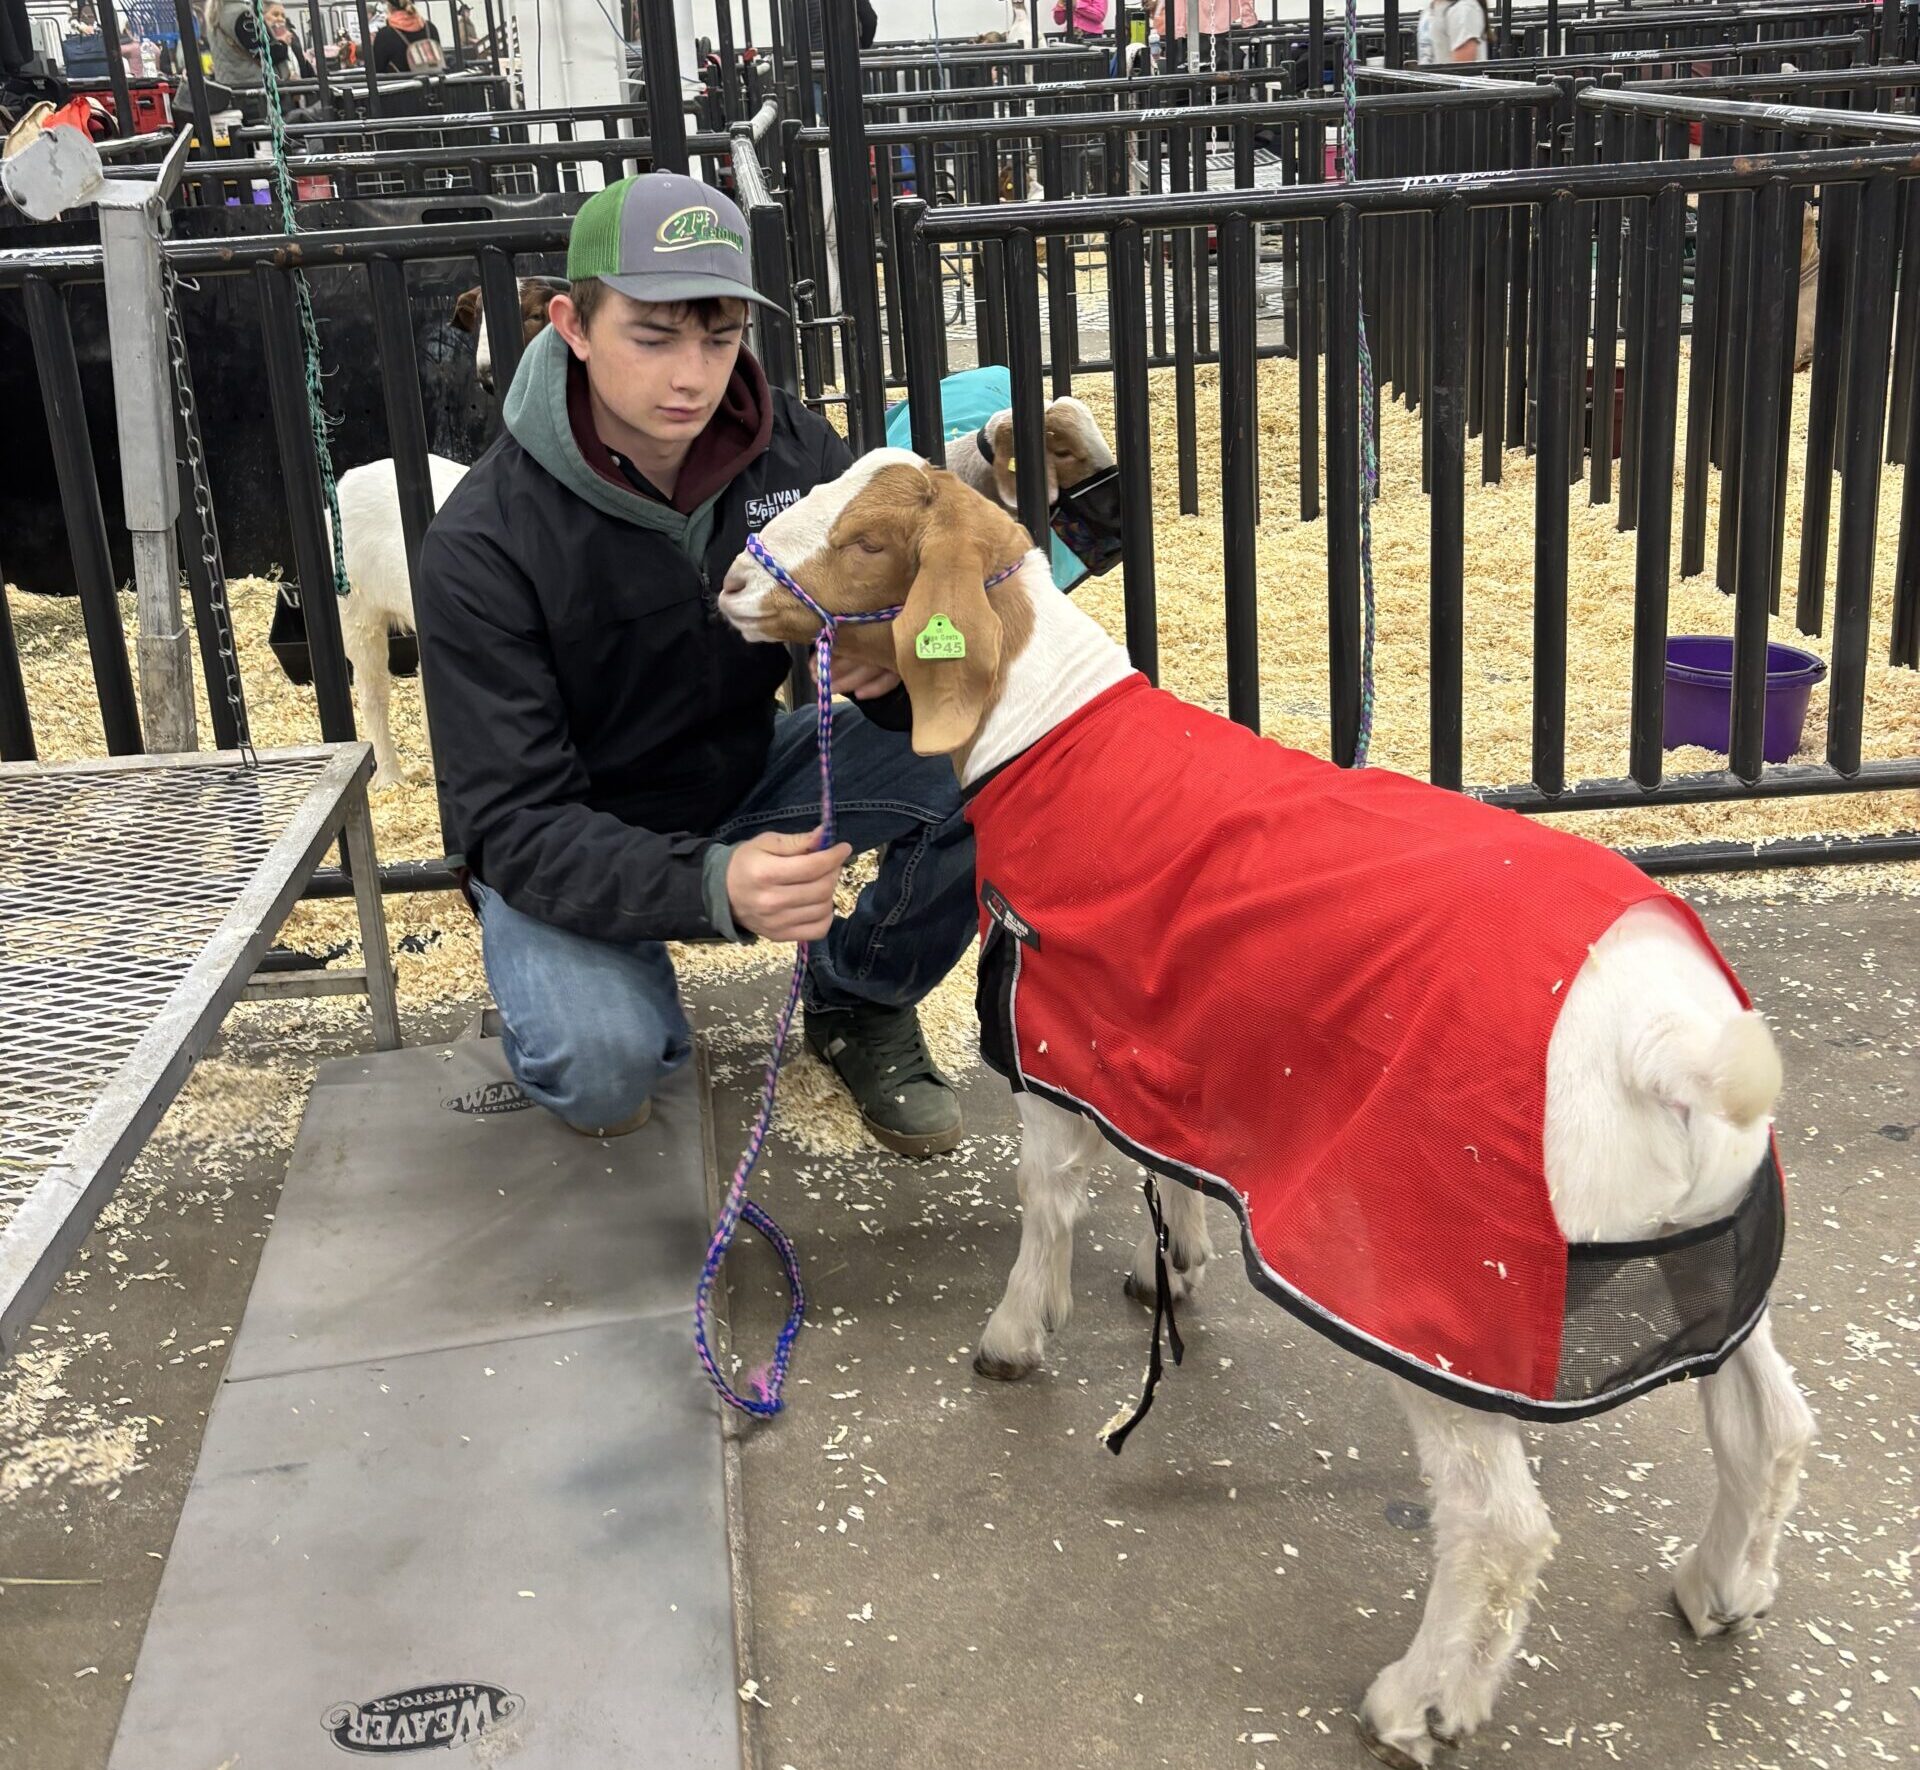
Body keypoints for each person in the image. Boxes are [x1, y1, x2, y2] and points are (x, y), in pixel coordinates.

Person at [413, 173, 977, 1154]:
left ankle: (860, 995)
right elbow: (506, 820)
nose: (693, 375)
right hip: (567, 828)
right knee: (605, 1070)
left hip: (740, 770)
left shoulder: (791, 449)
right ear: (573, 325)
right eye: (654, 334)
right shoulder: (484, 538)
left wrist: (899, 676)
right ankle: (585, 980)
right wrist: (714, 886)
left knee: (988, 763)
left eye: (719, 337)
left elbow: (921, 625)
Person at [371, 0, 442, 74]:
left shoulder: (385, 34)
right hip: (433, 82)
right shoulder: (430, 27)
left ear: (389, 7)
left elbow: (378, 69)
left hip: (402, 83)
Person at [1417, 0, 1486, 63]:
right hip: (1432, 75)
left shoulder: (1463, 9)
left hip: (1448, 76)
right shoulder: (1431, 8)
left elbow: (1462, 69)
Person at [264, 1, 313, 79]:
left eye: (283, 16)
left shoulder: (292, 36)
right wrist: (282, 43)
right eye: (275, 14)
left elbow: (303, 62)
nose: (280, 19)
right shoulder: (261, 40)